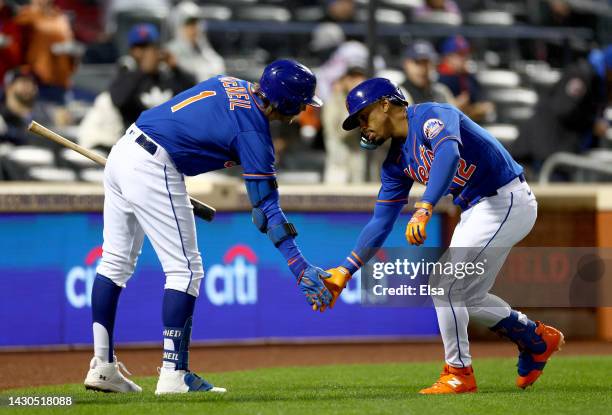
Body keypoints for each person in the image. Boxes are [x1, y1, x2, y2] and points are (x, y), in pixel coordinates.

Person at [83, 60, 333, 394]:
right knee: (185, 271)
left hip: (126, 149)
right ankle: (174, 373)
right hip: (154, 165)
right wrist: (299, 265)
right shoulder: (254, 133)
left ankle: (102, 366)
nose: (303, 109)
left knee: (114, 263)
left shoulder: (231, 82)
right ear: (287, 100)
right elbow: (265, 211)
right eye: (302, 102)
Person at [321, 78, 564, 394]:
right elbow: (381, 221)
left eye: (363, 116)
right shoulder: (396, 163)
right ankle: (535, 340)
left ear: (385, 104)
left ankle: (459, 373)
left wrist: (424, 207)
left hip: (504, 198)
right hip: (478, 208)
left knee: (444, 285)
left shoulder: (430, 114)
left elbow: (448, 154)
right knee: (466, 296)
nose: (362, 127)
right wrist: (346, 269)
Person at [514, 45, 612, 173]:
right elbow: (563, 109)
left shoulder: (600, 82)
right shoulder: (581, 74)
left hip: (558, 157)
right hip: (541, 154)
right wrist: (593, 124)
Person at [108, 23, 196, 135]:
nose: (147, 53)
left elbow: (193, 95)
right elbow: (117, 100)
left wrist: (176, 68)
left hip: (168, 138)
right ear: (132, 50)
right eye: (141, 47)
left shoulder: (167, 76)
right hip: (136, 139)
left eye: (150, 47)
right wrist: (142, 70)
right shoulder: (126, 72)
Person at [15, 0, 80, 103]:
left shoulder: (60, 17)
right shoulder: (26, 16)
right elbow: (16, 46)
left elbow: (69, 43)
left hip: (61, 81)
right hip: (38, 82)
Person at [0, 66, 52, 180]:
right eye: (23, 82)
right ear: (9, 87)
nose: (29, 86)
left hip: (41, 168)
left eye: (32, 82)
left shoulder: (44, 115)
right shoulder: (2, 116)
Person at [322, 65, 368, 183]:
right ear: (345, 80)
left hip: (359, 161)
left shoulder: (369, 102)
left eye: (360, 78)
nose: (357, 82)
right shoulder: (335, 100)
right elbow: (339, 132)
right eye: (353, 78)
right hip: (338, 163)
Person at [437, 36, 494, 123]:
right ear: (447, 57)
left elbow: (486, 106)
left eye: (466, 54)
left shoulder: (469, 77)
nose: (465, 58)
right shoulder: (439, 79)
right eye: (460, 54)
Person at [166, 1, 225, 83]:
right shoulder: (170, 53)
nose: (194, 28)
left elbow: (218, 66)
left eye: (196, 23)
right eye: (189, 24)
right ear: (178, 26)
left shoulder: (203, 50)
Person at [400, 40, 455, 105]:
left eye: (427, 62)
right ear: (406, 64)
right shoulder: (397, 94)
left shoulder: (440, 92)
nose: (423, 68)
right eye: (417, 62)